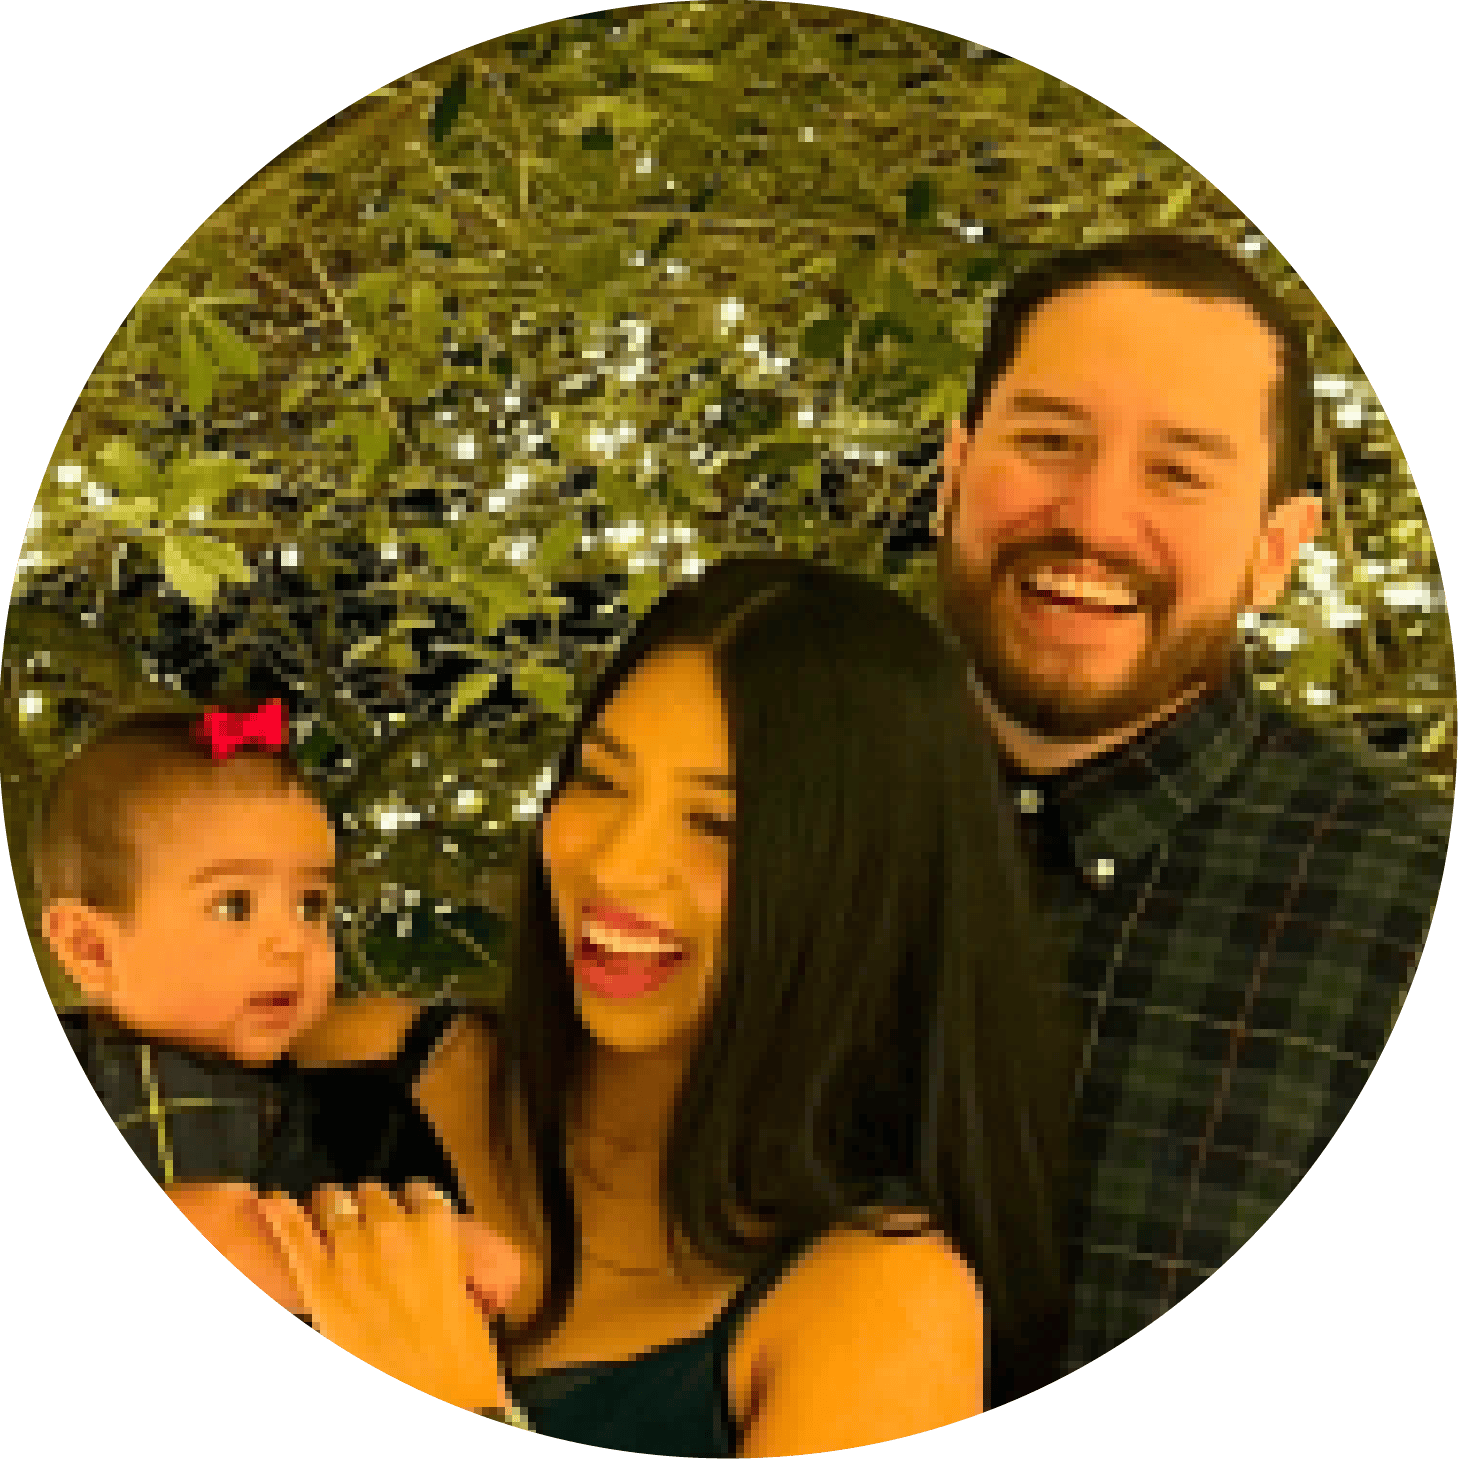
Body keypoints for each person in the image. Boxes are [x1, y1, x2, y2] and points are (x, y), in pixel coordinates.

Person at [260, 556, 1075, 1453]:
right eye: (600, 782)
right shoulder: (355, 1063)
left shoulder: (879, 1302)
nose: (615, 865)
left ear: (862, 889)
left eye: (717, 824)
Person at [934, 233, 1452, 1387]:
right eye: (1049, 441)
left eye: (1178, 471)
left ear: (1276, 551)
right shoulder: (763, 810)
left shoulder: (1412, 915)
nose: (1095, 519)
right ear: (953, 471)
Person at [38, 703, 518, 1318]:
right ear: (91, 948)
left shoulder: (361, 1119)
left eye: (312, 905)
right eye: (234, 906)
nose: (292, 941)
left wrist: (446, 1254)